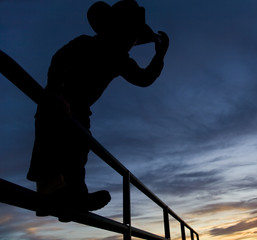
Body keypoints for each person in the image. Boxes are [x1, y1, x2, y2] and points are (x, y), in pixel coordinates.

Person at [27, 0, 169, 219]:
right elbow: (59, 59)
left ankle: (74, 196)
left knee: (78, 148)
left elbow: (143, 78)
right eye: (130, 35)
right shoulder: (86, 44)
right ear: (115, 29)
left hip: (80, 109)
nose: (130, 42)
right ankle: (50, 193)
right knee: (53, 143)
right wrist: (57, 91)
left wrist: (159, 55)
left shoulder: (120, 59)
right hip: (58, 100)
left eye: (134, 39)